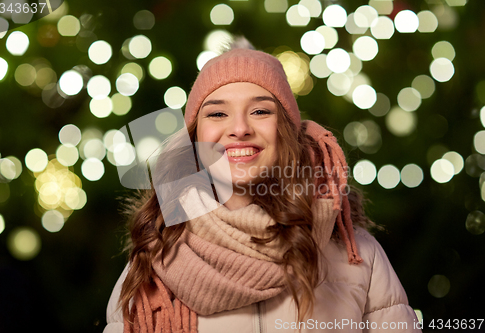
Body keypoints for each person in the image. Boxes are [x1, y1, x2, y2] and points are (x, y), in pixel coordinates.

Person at [103, 39, 422, 333]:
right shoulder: (155, 257)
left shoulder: (359, 258)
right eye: (217, 113)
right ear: (194, 137)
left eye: (260, 111)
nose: (239, 128)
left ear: (287, 131)